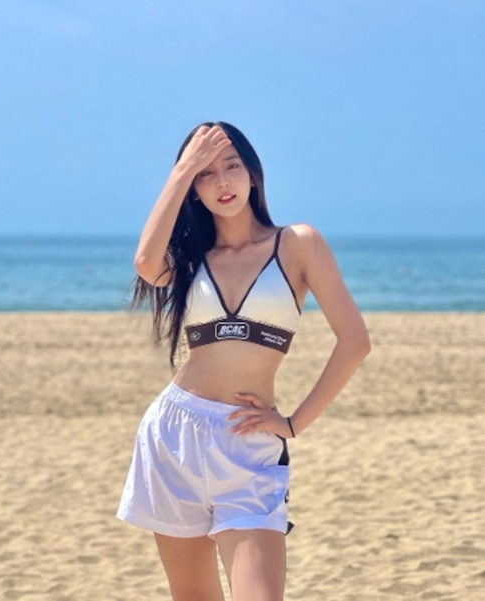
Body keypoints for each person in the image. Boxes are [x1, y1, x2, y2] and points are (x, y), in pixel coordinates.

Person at [117, 121, 371, 601]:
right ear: (193, 189)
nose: (222, 182)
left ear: (253, 174)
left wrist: (293, 424)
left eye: (232, 166)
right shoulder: (191, 258)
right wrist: (182, 170)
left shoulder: (297, 244)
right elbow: (146, 263)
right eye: (206, 173)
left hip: (247, 442)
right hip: (174, 434)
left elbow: (355, 341)